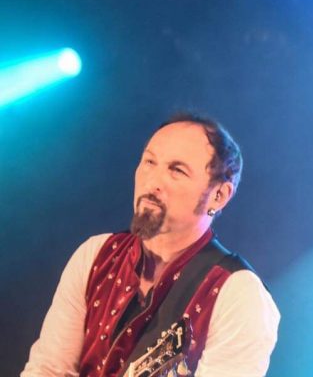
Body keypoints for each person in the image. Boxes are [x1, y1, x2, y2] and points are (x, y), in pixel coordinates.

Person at [21, 113, 279, 377]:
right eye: (149, 162)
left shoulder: (238, 295)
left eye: (177, 170)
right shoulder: (96, 255)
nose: (152, 181)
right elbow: (47, 369)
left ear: (219, 195)